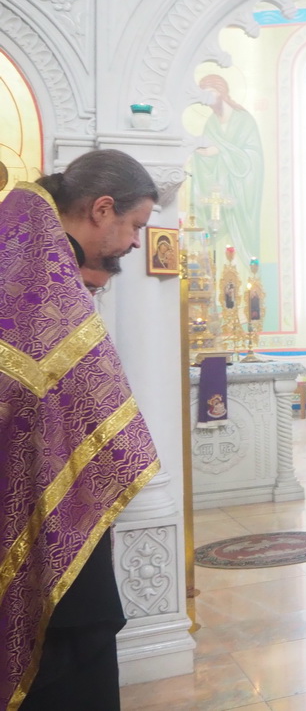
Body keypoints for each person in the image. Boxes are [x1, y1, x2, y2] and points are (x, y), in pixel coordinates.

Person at [0, 149, 160, 710]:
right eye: (136, 225)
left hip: (31, 472)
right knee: (66, 654)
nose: (137, 241)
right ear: (102, 209)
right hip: (29, 486)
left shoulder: (23, 247)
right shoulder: (41, 270)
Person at [189, 74, 263, 265]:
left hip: (240, 196)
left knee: (239, 253)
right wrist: (201, 155)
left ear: (221, 92)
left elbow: (253, 158)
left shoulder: (244, 120)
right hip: (218, 200)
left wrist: (220, 150)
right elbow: (206, 162)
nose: (208, 101)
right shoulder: (211, 124)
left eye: (210, 94)